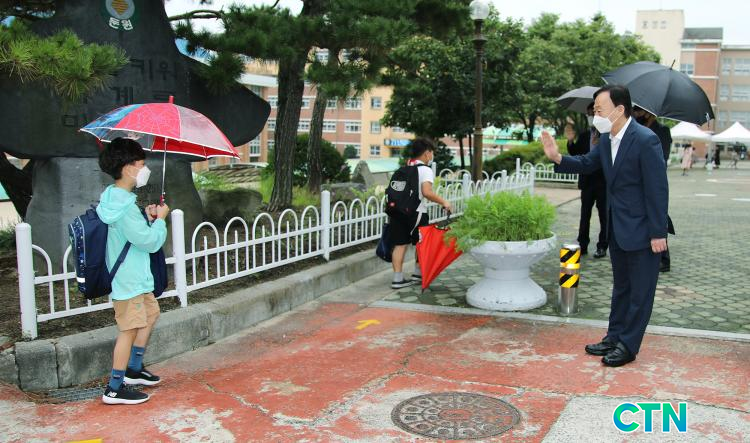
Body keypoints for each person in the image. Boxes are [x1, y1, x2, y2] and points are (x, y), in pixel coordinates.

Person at [541, 84, 668, 367]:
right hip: (617, 228)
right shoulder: (608, 139)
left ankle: (628, 346)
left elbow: (657, 189)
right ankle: (614, 337)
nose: (595, 115)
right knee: (621, 288)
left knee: (640, 293)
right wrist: (557, 157)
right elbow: (587, 163)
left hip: (644, 230)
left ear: (619, 110)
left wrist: (658, 232)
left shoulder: (645, 139)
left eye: (599, 109)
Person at [97, 137, 170, 404]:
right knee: (128, 329)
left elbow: (133, 234)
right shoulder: (124, 206)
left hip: (136, 277)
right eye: (141, 164)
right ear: (128, 168)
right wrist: (160, 221)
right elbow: (149, 242)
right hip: (128, 280)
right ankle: (114, 388)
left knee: (150, 314)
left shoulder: (118, 198)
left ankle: (134, 369)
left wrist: (148, 218)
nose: (144, 169)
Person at [390, 138, 452, 289]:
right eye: (432, 152)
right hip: (417, 212)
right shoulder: (425, 170)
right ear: (426, 153)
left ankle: (397, 278)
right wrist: (444, 202)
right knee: (421, 243)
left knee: (400, 244)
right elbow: (427, 192)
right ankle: (418, 274)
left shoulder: (405, 168)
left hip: (397, 211)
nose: (432, 156)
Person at [632, 106, 673, 273]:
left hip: (653, 181)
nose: (636, 114)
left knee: (659, 217)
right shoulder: (636, 130)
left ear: (649, 113)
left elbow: (663, 156)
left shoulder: (662, 131)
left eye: (638, 111)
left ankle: (664, 258)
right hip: (638, 183)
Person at [566, 102, 607, 258]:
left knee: (604, 215)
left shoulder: (607, 135)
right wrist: (570, 141)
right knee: (585, 215)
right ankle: (582, 244)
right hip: (587, 181)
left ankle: (602, 246)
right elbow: (575, 153)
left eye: (594, 113)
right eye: (589, 114)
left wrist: (600, 146)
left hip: (603, 182)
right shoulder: (584, 135)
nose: (591, 116)